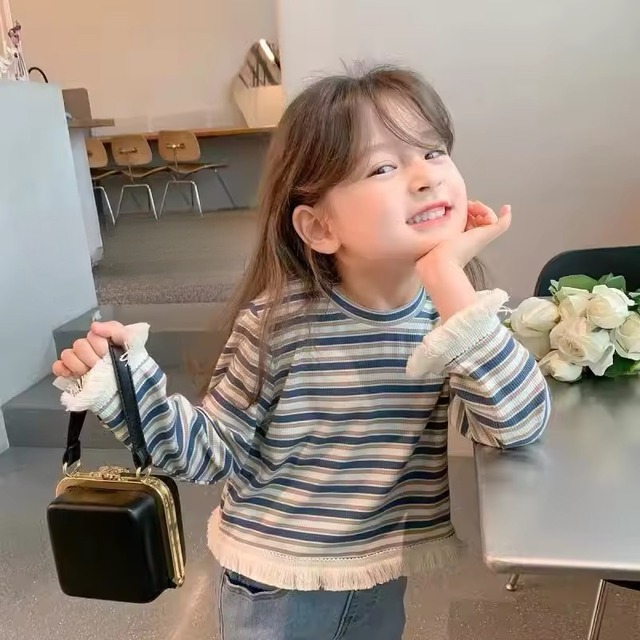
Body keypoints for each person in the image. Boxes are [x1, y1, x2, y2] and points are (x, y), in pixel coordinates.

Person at [52, 65, 550, 640]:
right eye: (383, 167)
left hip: (377, 571)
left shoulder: (457, 321)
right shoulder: (279, 322)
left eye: (433, 152)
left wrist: (447, 276)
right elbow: (212, 454)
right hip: (277, 585)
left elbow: (518, 426)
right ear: (318, 227)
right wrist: (122, 388)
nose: (425, 178)